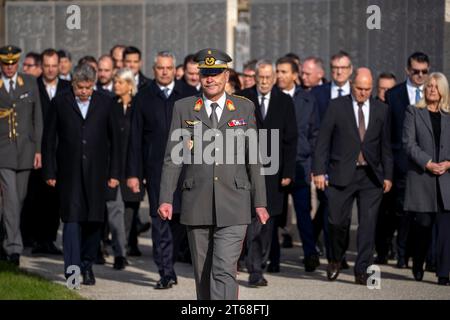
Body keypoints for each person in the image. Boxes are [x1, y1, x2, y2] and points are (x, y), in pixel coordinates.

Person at [157, 48, 269, 300]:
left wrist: (260, 202)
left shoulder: (243, 108)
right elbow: (173, 157)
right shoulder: (184, 108)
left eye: (215, 73)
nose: (210, 79)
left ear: (226, 75)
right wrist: (165, 197)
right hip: (196, 201)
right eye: (205, 73)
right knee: (203, 273)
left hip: (235, 202)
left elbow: (255, 159)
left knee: (223, 269)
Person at [312, 68, 393, 284]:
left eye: (367, 89)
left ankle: (362, 270)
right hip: (341, 172)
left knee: (368, 224)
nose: (363, 93)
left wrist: (388, 175)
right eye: (359, 88)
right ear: (351, 84)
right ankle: (335, 259)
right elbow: (323, 141)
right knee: (336, 221)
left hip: (371, 175)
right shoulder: (336, 107)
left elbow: (386, 146)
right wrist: (319, 171)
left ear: (372, 88)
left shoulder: (381, 110)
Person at [42, 64, 120, 285]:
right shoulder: (60, 102)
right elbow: (48, 140)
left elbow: (116, 141)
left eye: (88, 87)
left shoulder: (106, 102)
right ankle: (73, 271)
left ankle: (87, 265)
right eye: (80, 87)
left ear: (93, 84)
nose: (84, 92)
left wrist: (115, 172)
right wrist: (50, 170)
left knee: (94, 221)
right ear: (73, 84)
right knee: (72, 222)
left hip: (98, 173)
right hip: (69, 174)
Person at [127, 51, 197, 289]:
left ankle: (172, 260)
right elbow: (135, 139)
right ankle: (165, 271)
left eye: (169, 68)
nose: (165, 72)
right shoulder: (143, 98)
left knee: (179, 220)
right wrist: (134, 173)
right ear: (154, 69)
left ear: (175, 69)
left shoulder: (189, 95)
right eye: (160, 68)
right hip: (156, 171)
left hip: (188, 170)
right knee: (160, 221)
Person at [238, 59, 297, 286]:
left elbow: (291, 140)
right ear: (255, 77)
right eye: (260, 77)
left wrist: (288, 172)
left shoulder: (284, 101)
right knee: (252, 221)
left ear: (274, 79)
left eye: (267, 77)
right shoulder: (243, 98)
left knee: (266, 223)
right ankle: (254, 270)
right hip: (245, 171)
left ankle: (259, 264)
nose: (263, 81)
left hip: (274, 173)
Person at [402, 72, 450, 286]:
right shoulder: (413, 111)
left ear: (443, 90)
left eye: (436, 86)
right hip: (422, 178)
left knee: (445, 229)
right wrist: (428, 162)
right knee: (423, 224)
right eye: (429, 85)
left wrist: (448, 163)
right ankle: (418, 261)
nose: (432, 89)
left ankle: (443, 273)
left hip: (446, 179)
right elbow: (408, 144)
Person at [384, 52, 430, 269]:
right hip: (402, 163)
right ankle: (402, 256)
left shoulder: (434, 92)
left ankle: (423, 256)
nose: (420, 76)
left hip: (428, 164)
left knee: (425, 213)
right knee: (402, 211)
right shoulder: (394, 95)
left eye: (424, 72)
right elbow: (388, 132)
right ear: (407, 70)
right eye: (415, 71)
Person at [0, 45, 43, 266]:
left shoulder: (29, 82)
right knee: (10, 200)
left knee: (19, 199)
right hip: (3, 151)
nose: (9, 68)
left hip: (25, 151)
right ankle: (13, 248)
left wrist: (38, 150)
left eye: (12, 64)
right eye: (5, 64)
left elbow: (37, 118)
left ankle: (4, 238)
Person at [311, 50, 354, 266]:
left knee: (342, 216)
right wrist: (317, 166)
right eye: (335, 68)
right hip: (325, 162)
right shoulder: (318, 93)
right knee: (329, 208)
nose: (338, 72)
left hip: (348, 164)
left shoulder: (357, 93)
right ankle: (333, 256)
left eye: (343, 68)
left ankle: (339, 251)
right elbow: (315, 131)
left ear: (350, 70)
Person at [26, 48, 71, 255]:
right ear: (41, 66)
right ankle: (36, 239)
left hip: (61, 151)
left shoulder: (67, 87)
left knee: (55, 198)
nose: (51, 70)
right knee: (36, 195)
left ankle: (50, 239)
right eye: (47, 66)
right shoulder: (32, 86)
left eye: (54, 65)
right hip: (37, 150)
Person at [105, 68, 144, 270]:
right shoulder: (110, 106)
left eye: (120, 82)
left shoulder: (138, 107)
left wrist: (139, 173)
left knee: (129, 213)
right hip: (113, 169)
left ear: (130, 85)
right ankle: (119, 253)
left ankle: (125, 247)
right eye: (115, 82)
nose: (115, 86)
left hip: (134, 170)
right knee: (114, 211)